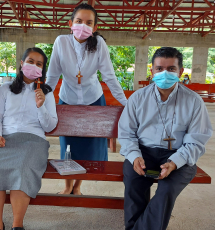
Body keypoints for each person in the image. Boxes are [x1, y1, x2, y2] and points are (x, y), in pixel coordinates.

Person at [118, 47, 213, 230]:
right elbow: (126, 133)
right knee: (133, 183)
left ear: (180, 72)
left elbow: (196, 140)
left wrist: (175, 162)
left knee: (166, 190)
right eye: (160, 68)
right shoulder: (138, 98)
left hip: (180, 156)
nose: (165, 73)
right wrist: (134, 155)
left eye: (171, 69)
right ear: (152, 71)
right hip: (143, 152)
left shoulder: (193, 101)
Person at [46, 3, 127, 195]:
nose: (83, 26)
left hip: (93, 100)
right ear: (70, 23)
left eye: (89, 23)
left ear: (95, 27)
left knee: (90, 151)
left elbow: (109, 77)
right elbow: (52, 77)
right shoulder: (61, 42)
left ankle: (78, 186)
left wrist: (127, 103)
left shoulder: (99, 44)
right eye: (79, 21)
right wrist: (42, 102)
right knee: (69, 147)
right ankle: (67, 187)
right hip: (67, 101)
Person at [0, 47, 58, 230]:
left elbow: (50, 126)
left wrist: (41, 106)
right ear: (22, 64)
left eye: (39, 64)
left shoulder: (46, 93)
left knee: (23, 169)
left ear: (42, 69)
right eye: (30, 61)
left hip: (33, 140)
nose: (34, 66)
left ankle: (17, 225)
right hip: (5, 137)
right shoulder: (6, 88)